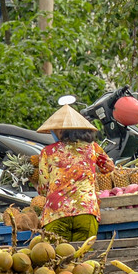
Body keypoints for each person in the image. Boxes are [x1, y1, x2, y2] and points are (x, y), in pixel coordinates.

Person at [33, 104, 114, 242]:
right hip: (86, 212)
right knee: (82, 260)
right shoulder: (93, 148)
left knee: (55, 259)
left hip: (55, 214)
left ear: (60, 131)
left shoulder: (47, 152)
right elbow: (109, 167)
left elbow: (44, 188)